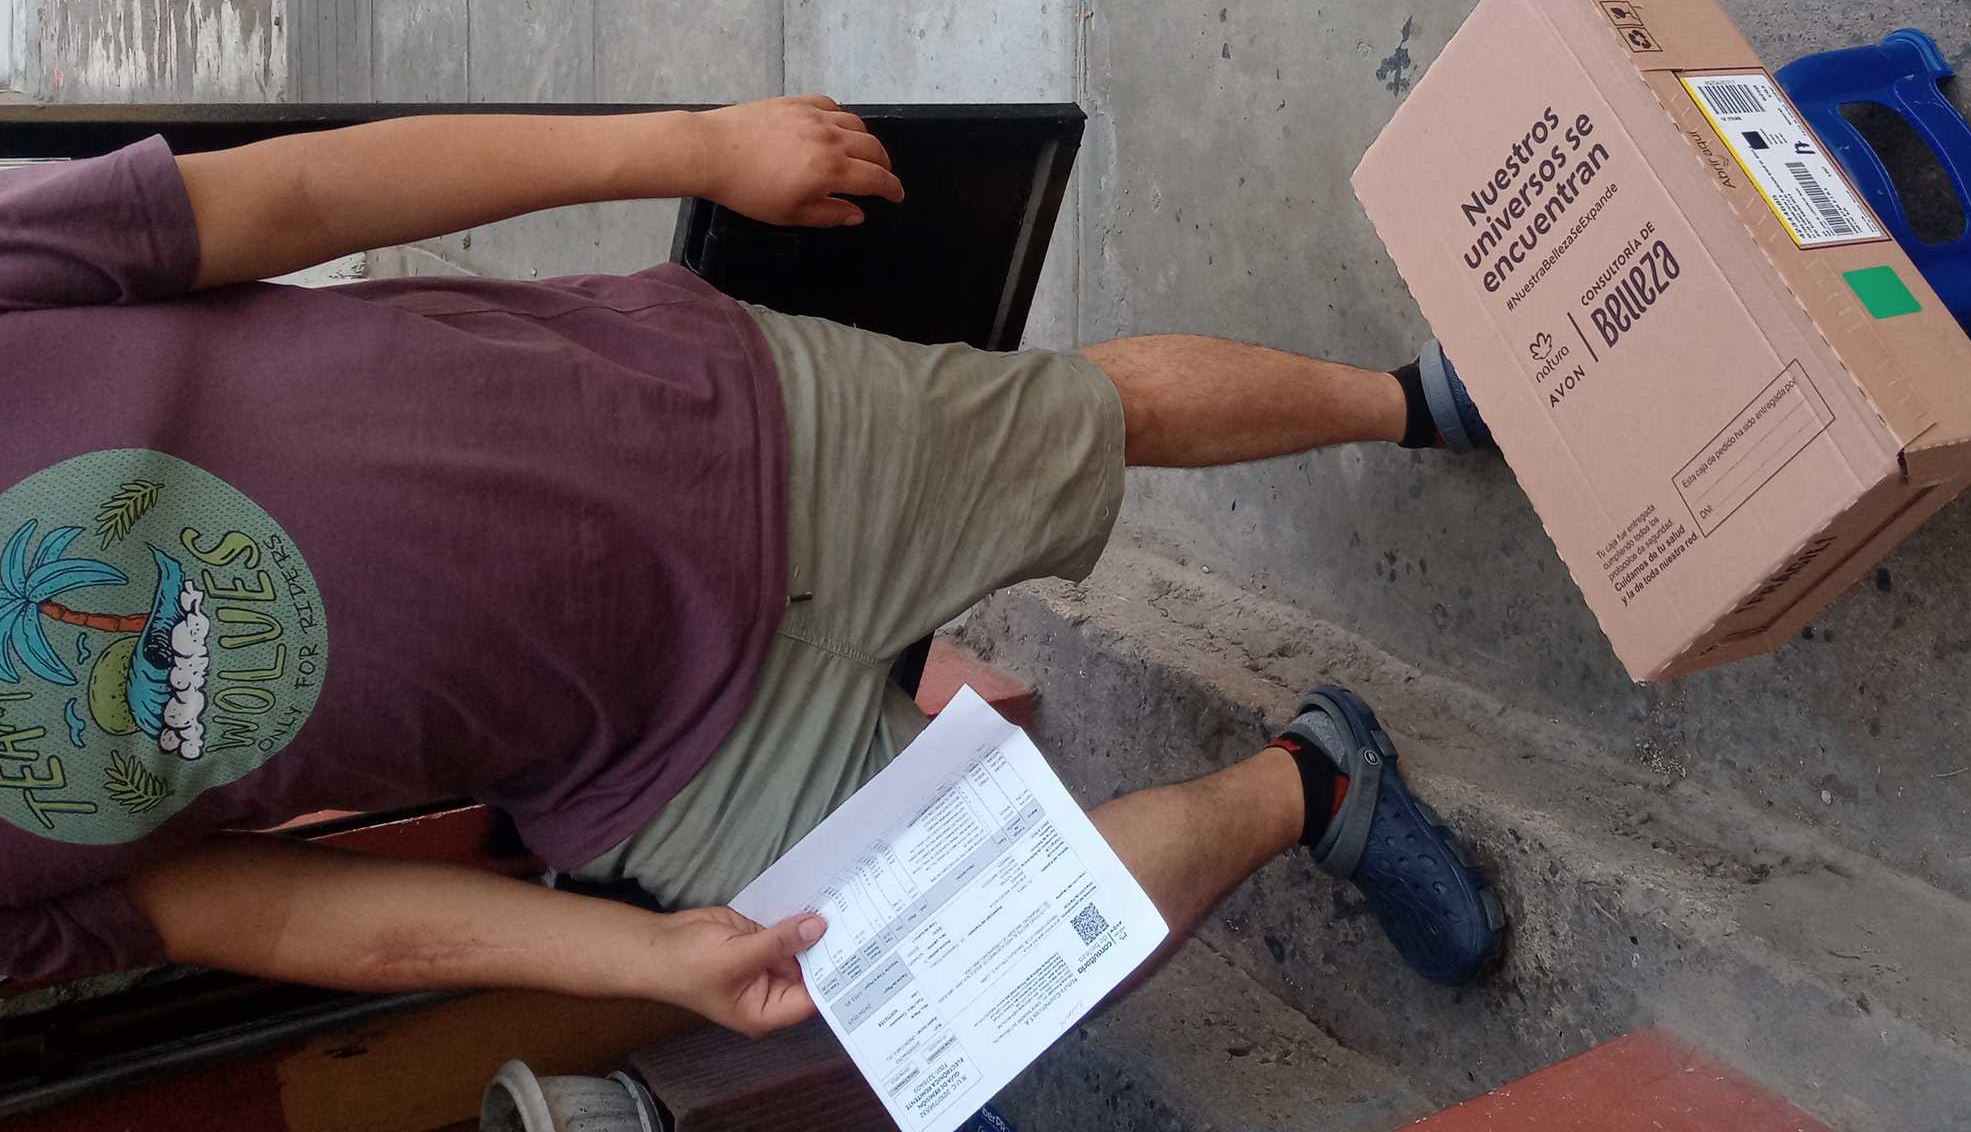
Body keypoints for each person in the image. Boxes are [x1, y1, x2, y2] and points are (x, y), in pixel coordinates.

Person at [0, 98, 1501, 1037]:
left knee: (1090, 419)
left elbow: (293, 199)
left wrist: (691, 144)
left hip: (699, 433)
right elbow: (261, 916)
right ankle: (1320, 784)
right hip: (648, 767)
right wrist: (644, 962)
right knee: (965, 977)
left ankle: (1409, 403)